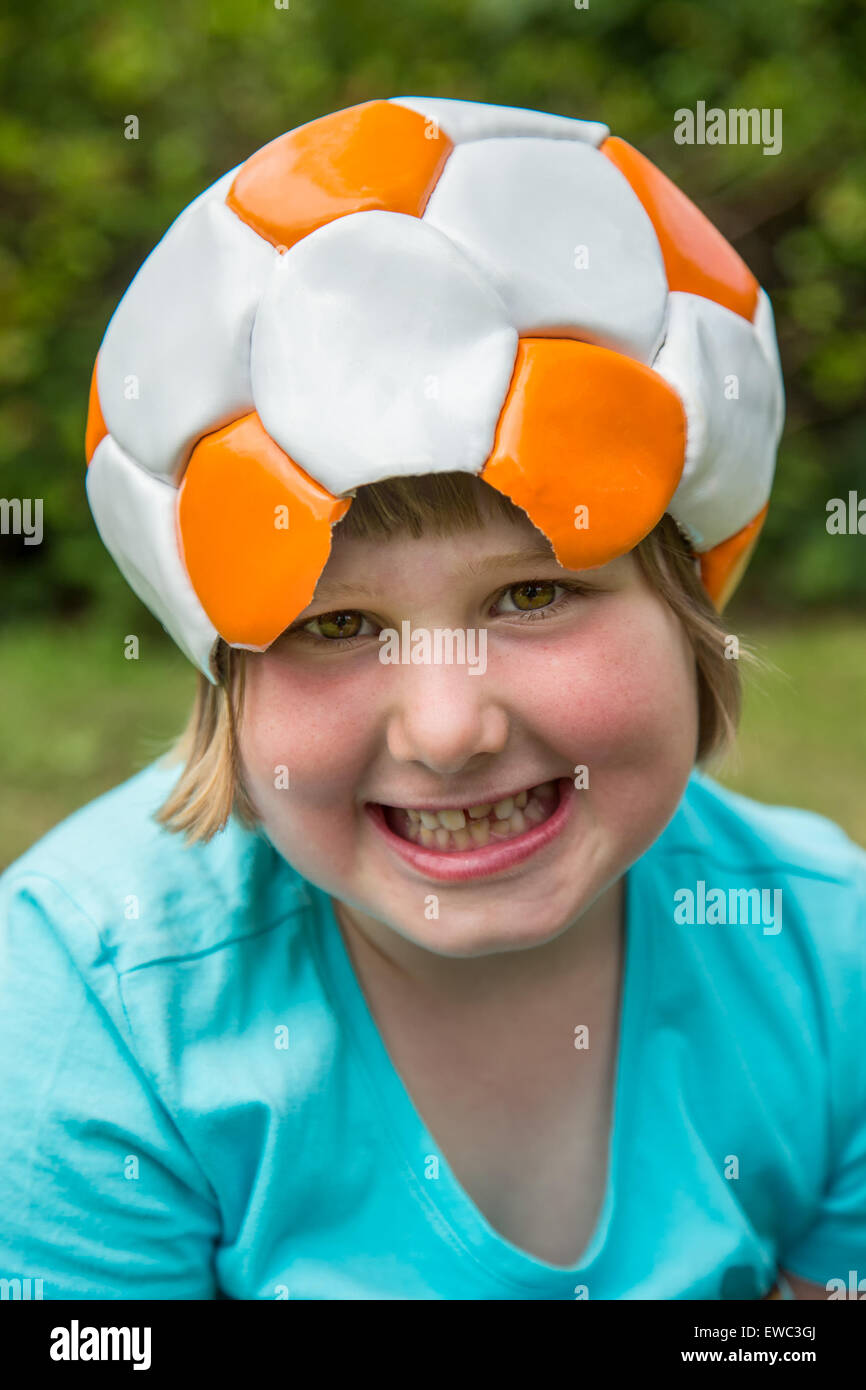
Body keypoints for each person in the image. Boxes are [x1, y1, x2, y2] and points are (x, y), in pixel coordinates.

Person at [0, 96, 863, 1301]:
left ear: (690, 616)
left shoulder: (824, 957)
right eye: (336, 624)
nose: (449, 729)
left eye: (530, 596)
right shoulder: (89, 1014)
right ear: (221, 680)